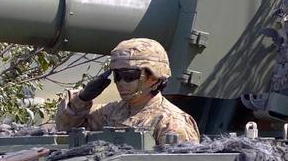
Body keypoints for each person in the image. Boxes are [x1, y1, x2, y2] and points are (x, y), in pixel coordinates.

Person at [56, 38, 200, 145]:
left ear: (154, 78)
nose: (121, 83)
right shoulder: (111, 112)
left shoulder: (171, 122)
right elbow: (66, 132)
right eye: (117, 76)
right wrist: (82, 99)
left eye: (129, 76)